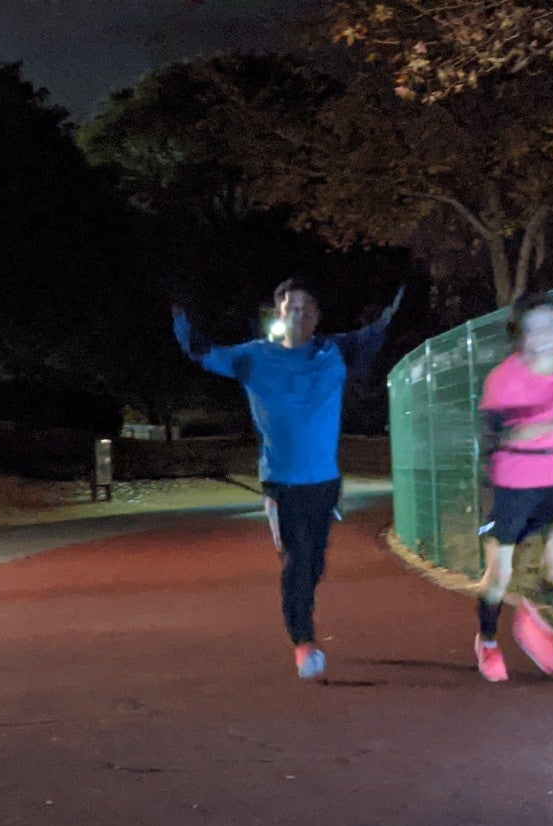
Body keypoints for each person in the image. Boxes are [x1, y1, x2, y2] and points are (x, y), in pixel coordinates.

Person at [172, 279, 403, 679]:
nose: (298, 314)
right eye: (290, 307)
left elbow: (378, 331)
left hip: (325, 481)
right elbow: (203, 351)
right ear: (278, 314)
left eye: (306, 308)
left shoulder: (334, 352)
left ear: (317, 317)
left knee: (314, 564)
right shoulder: (253, 357)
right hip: (281, 482)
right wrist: (179, 312)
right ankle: (304, 642)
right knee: (297, 561)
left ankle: (302, 620)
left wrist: (397, 297)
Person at [474, 293, 553, 682]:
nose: (546, 335)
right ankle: (488, 641)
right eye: (535, 328)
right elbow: (505, 435)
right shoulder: (503, 380)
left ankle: (531, 613)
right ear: (521, 336)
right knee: (498, 577)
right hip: (512, 486)